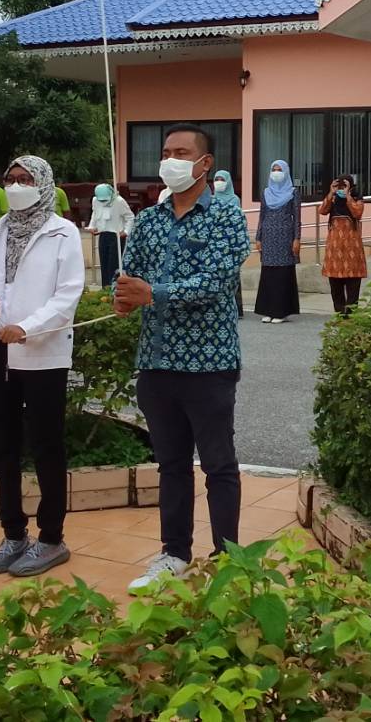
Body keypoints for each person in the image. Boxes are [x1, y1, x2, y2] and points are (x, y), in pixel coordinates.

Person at [114, 124, 250, 590]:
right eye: (166, 152)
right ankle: (173, 553)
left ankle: (228, 560)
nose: (170, 160)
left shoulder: (226, 217)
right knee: (171, 465)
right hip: (156, 362)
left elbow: (215, 282)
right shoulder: (149, 220)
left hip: (208, 364)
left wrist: (152, 293)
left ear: (204, 163)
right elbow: (130, 274)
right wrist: (124, 295)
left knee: (218, 465)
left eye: (182, 153)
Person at [0, 155, 85, 578]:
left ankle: (51, 538)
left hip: (42, 353)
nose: (16, 186)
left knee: (46, 445)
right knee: (3, 445)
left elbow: (68, 294)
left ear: (44, 183)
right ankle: (13, 534)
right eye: (11, 179)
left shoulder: (63, 232)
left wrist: (27, 327)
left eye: (26, 179)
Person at [254, 159, 301, 323]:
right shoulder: (266, 192)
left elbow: (297, 218)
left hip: (285, 237)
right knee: (268, 274)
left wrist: (297, 238)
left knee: (282, 273)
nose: (276, 173)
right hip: (268, 237)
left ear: (286, 172)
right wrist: (258, 237)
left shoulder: (293, 192)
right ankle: (268, 310)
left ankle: (281, 312)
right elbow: (262, 216)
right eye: (273, 169)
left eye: (279, 170)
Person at [319, 175, 367, 315]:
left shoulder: (356, 198)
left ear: (351, 186)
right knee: (335, 285)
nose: (341, 189)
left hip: (352, 248)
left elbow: (357, 213)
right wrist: (331, 192)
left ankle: (351, 316)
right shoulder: (333, 199)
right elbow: (322, 210)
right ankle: (339, 314)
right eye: (339, 186)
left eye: (344, 186)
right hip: (334, 249)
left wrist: (348, 196)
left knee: (353, 283)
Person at [211, 170, 246, 315]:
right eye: (216, 179)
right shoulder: (211, 200)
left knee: (232, 274)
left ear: (228, 182)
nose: (219, 182)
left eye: (222, 179)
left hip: (230, 242)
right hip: (214, 243)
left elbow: (236, 221)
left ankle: (236, 307)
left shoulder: (234, 199)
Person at [88, 182, 135, 289]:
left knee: (113, 265)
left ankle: (114, 289)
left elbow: (130, 217)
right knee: (104, 264)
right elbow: (95, 214)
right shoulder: (95, 201)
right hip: (103, 234)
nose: (103, 202)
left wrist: (126, 232)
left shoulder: (119, 201)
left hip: (116, 236)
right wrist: (92, 226)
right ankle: (105, 288)